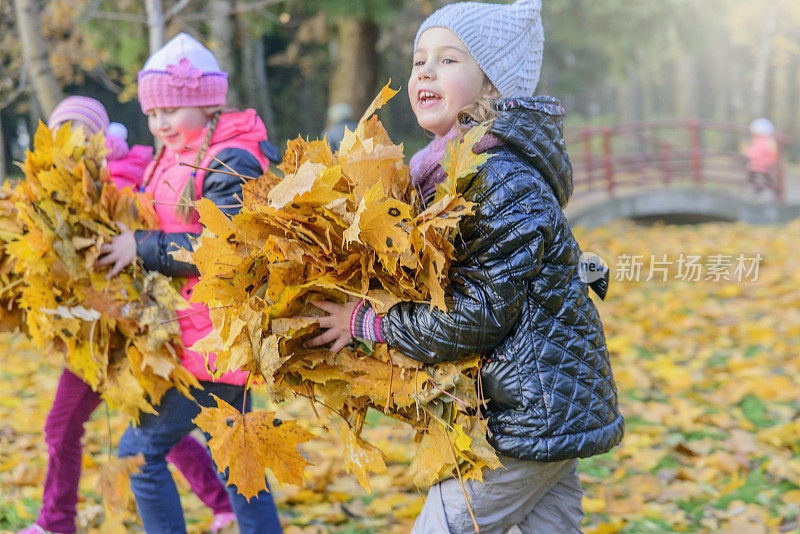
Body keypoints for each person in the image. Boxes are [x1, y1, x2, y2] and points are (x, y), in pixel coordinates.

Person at [300, 1, 624, 532]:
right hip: (533, 401)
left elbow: (478, 314)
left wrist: (369, 322)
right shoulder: (449, 172)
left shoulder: (499, 178)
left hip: (528, 409)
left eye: (449, 60)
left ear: (494, 87)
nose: (425, 71)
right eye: (418, 60)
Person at [18, 96, 236, 534]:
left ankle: (56, 521)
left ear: (100, 136)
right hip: (91, 334)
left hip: (123, 331)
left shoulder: (122, 183)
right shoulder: (56, 188)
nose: (72, 141)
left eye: (81, 130)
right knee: (90, 427)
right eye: (63, 132)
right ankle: (55, 522)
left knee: (141, 431)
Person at [96, 33, 282, 534]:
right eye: (153, 115)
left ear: (205, 103)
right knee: (239, 465)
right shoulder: (175, 152)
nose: (159, 125)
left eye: (171, 112)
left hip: (214, 338)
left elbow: (222, 250)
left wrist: (143, 247)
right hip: (191, 330)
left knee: (139, 453)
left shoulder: (229, 158)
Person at [744, 117, 778, 196]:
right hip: (764, 164)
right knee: (767, 178)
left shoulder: (761, 141)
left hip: (758, 164)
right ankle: (771, 189)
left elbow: (756, 152)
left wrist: (747, 152)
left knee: (751, 177)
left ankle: (759, 188)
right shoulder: (767, 140)